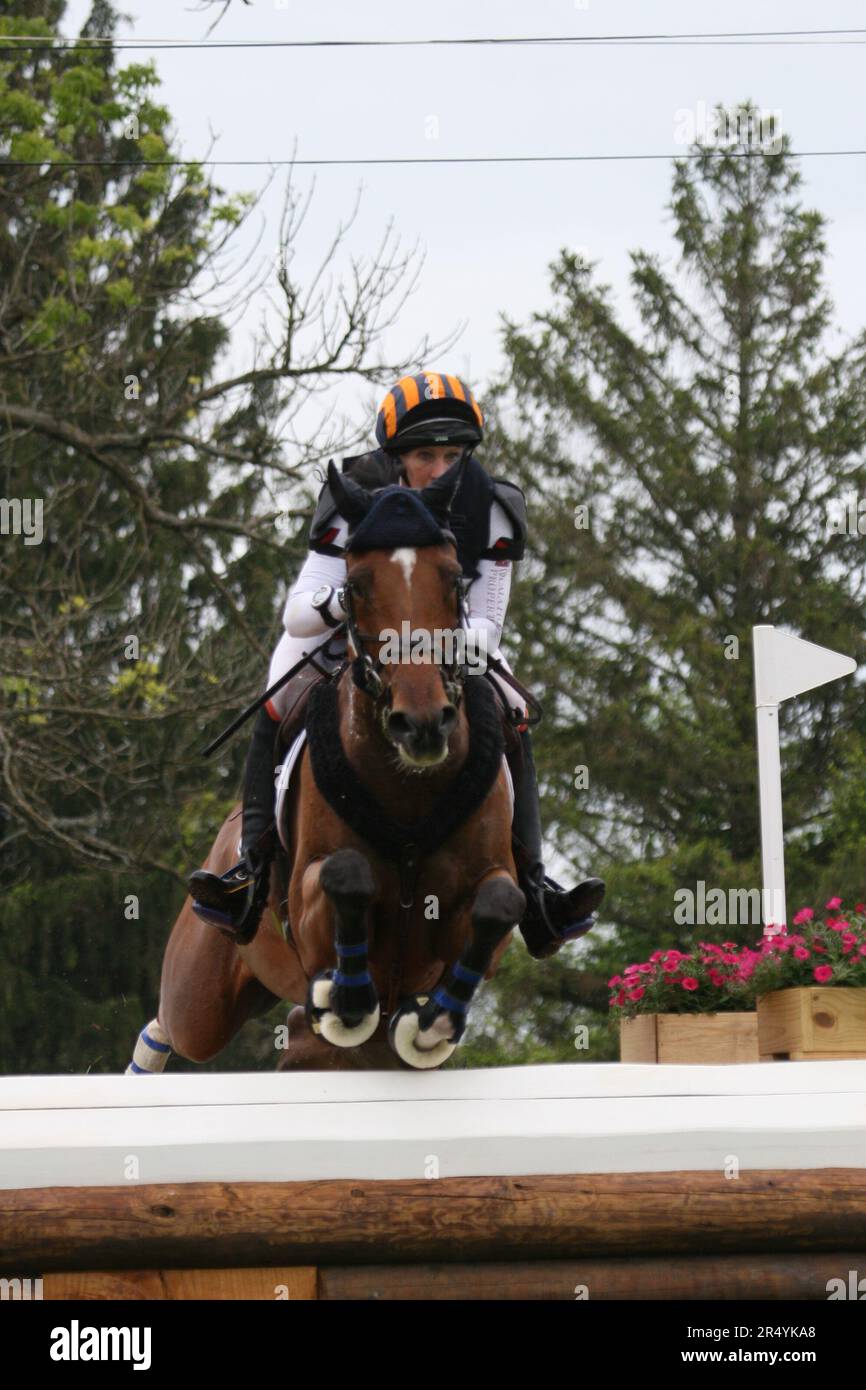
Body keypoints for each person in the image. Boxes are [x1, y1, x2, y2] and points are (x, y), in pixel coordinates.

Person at [188, 371, 605, 957]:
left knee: (513, 710)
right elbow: (298, 615)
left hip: (448, 645)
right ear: (396, 456)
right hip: (351, 636)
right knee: (277, 702)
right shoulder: (354, 493)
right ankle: (250, 872)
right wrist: (353, 607)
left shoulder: (492, 505)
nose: (440, 468)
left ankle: (536, 890)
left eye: (452, 454)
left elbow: (487, 617)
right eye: (425, 454)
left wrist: (441, 639)